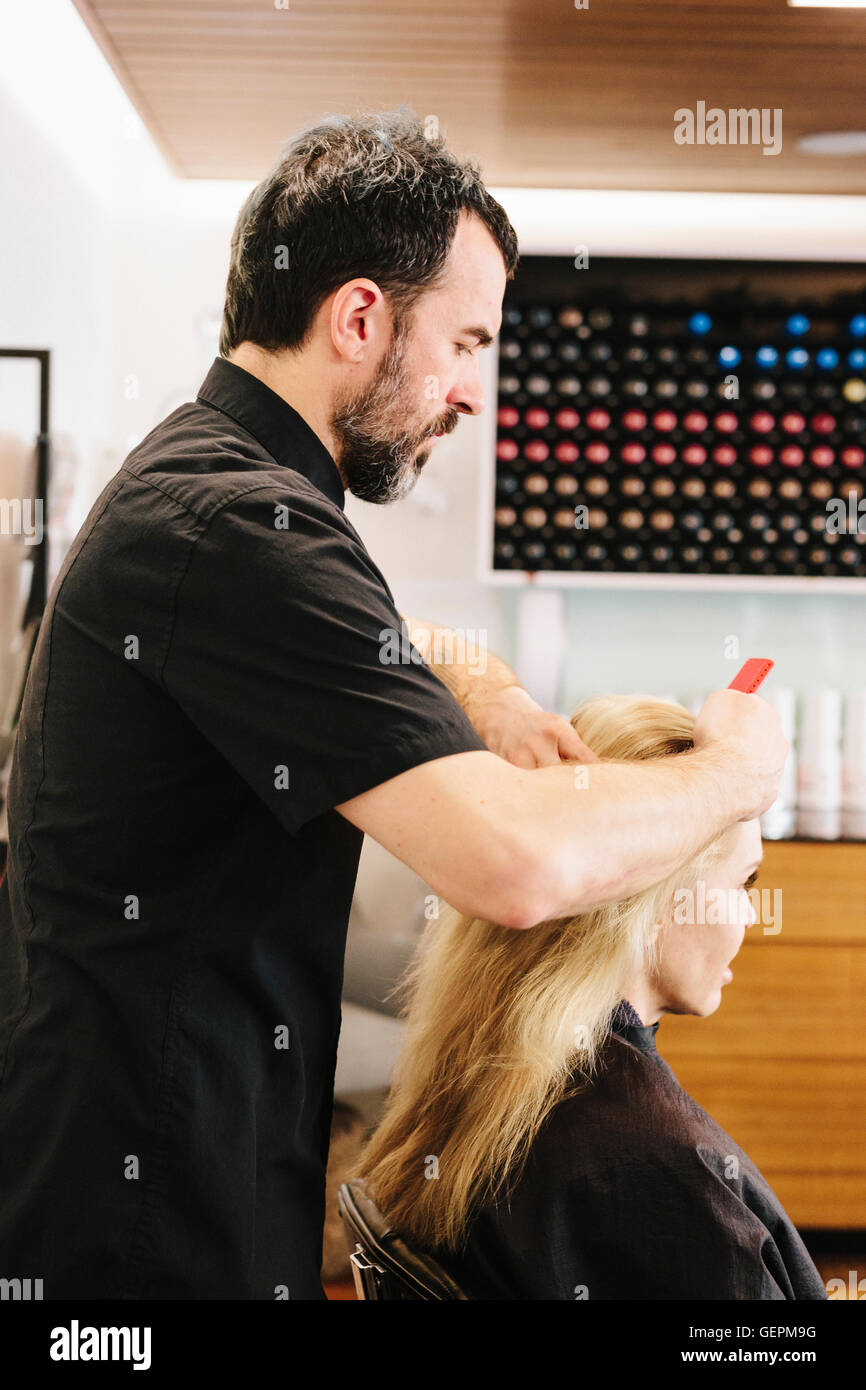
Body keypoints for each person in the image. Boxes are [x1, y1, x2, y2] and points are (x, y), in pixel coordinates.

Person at [0, 107, 787, 1300]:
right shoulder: (240, 527)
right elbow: (513, 864)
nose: (473, 393)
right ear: (360, 316)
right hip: (142, 1224)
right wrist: (732, 773)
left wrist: (492, 692)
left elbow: (398, 637)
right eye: (465, 342)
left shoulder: (222, 485)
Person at [353, 695, 826, 1301]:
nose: (751, 917)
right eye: (744, 882)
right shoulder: (653, 1168)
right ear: (651, 897)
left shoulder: (482, 1090)